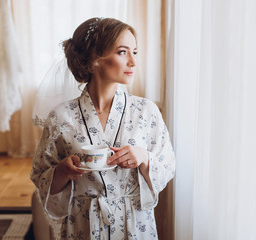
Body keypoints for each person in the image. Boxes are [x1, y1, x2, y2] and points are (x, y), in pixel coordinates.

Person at [30, 17, 175, 240]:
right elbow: (40, 176)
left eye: (134, 52)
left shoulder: (146, 111)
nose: (133, 62)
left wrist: (144, 157)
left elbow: (167, 167)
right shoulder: (61, 117)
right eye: (122, 52)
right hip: (83, 225)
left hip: (134, 225)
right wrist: (62, 171)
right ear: (94, 59)